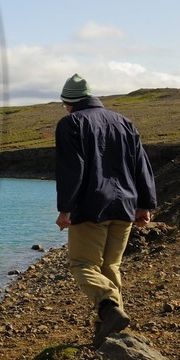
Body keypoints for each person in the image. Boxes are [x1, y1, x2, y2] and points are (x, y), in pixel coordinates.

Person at [54, 74, 158, 346]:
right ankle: (110, 334)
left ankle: (109, 308)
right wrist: (145, 204)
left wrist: (65, 208)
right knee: (111, 265)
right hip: (125, 205)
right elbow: (141, 165)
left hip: (90, 206)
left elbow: (71, 169)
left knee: (83, 264)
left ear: (69, 102)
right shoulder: (124, 122)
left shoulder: (71, 123)